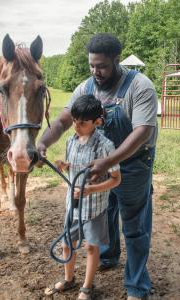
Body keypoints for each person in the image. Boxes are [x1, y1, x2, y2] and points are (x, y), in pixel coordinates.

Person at [38, 33, 158, 300]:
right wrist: (43, 143)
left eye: (102, 66)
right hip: (98, 166)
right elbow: (61, 121)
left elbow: (143, 132)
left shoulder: (140, 87)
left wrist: (109, 162)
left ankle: (137, 286)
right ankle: (108, 256)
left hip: (134, 164)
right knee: (104, 213)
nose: (96, 71)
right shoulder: (86, 88)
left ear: (117, 60)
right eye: (92, 65)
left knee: (135, 226)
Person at [44, 94, 121, 300]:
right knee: (67, 243)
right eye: (74, 122)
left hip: (94, 208)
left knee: (90, 246)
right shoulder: (71, 141)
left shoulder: (106, 146)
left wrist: (91, 190)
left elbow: (116, 179)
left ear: (98, 122)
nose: (76, 126)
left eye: (82, 123)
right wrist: (65, 166)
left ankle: (87, 287)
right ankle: (69, 280)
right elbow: (75, 166)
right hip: (73, 206)